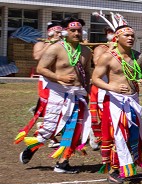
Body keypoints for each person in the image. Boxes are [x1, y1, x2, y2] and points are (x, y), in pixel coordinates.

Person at [91, 23, 142, 183]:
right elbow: (95, 78)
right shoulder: (108, 57)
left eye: (132, 35)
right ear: (117, 37)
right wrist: (112, 87)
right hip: (114, 101)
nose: (130, 38)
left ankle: (127, 164)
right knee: (118, 134)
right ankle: (114, 170)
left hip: (133, 100)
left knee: (133, 134)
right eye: (126, 35)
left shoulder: (139, 57)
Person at [17, 17, 93, 173]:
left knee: (74, 129)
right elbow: (41, 68)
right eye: (73, 30)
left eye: (79, 30)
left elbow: (86, 73)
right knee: (50, 128)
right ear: (65, 31)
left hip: (78, 94)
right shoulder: (55, 48)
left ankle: (63, 163)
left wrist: (87, 91)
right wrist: (60, 77)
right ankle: (32, 147)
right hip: (58, 92)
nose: (76, 33)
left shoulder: (86, 51)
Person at [16, 20, 64, 150]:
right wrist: (50, 44)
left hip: (60, 81)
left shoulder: (62, 45)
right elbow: (37, 57)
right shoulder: (41, 43)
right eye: (57, 32)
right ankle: (47, 135)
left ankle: (51, 132)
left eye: (61, 32)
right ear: (50, 32)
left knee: (61, 107)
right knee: (49, 107)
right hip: (46, 81)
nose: (60, 35)